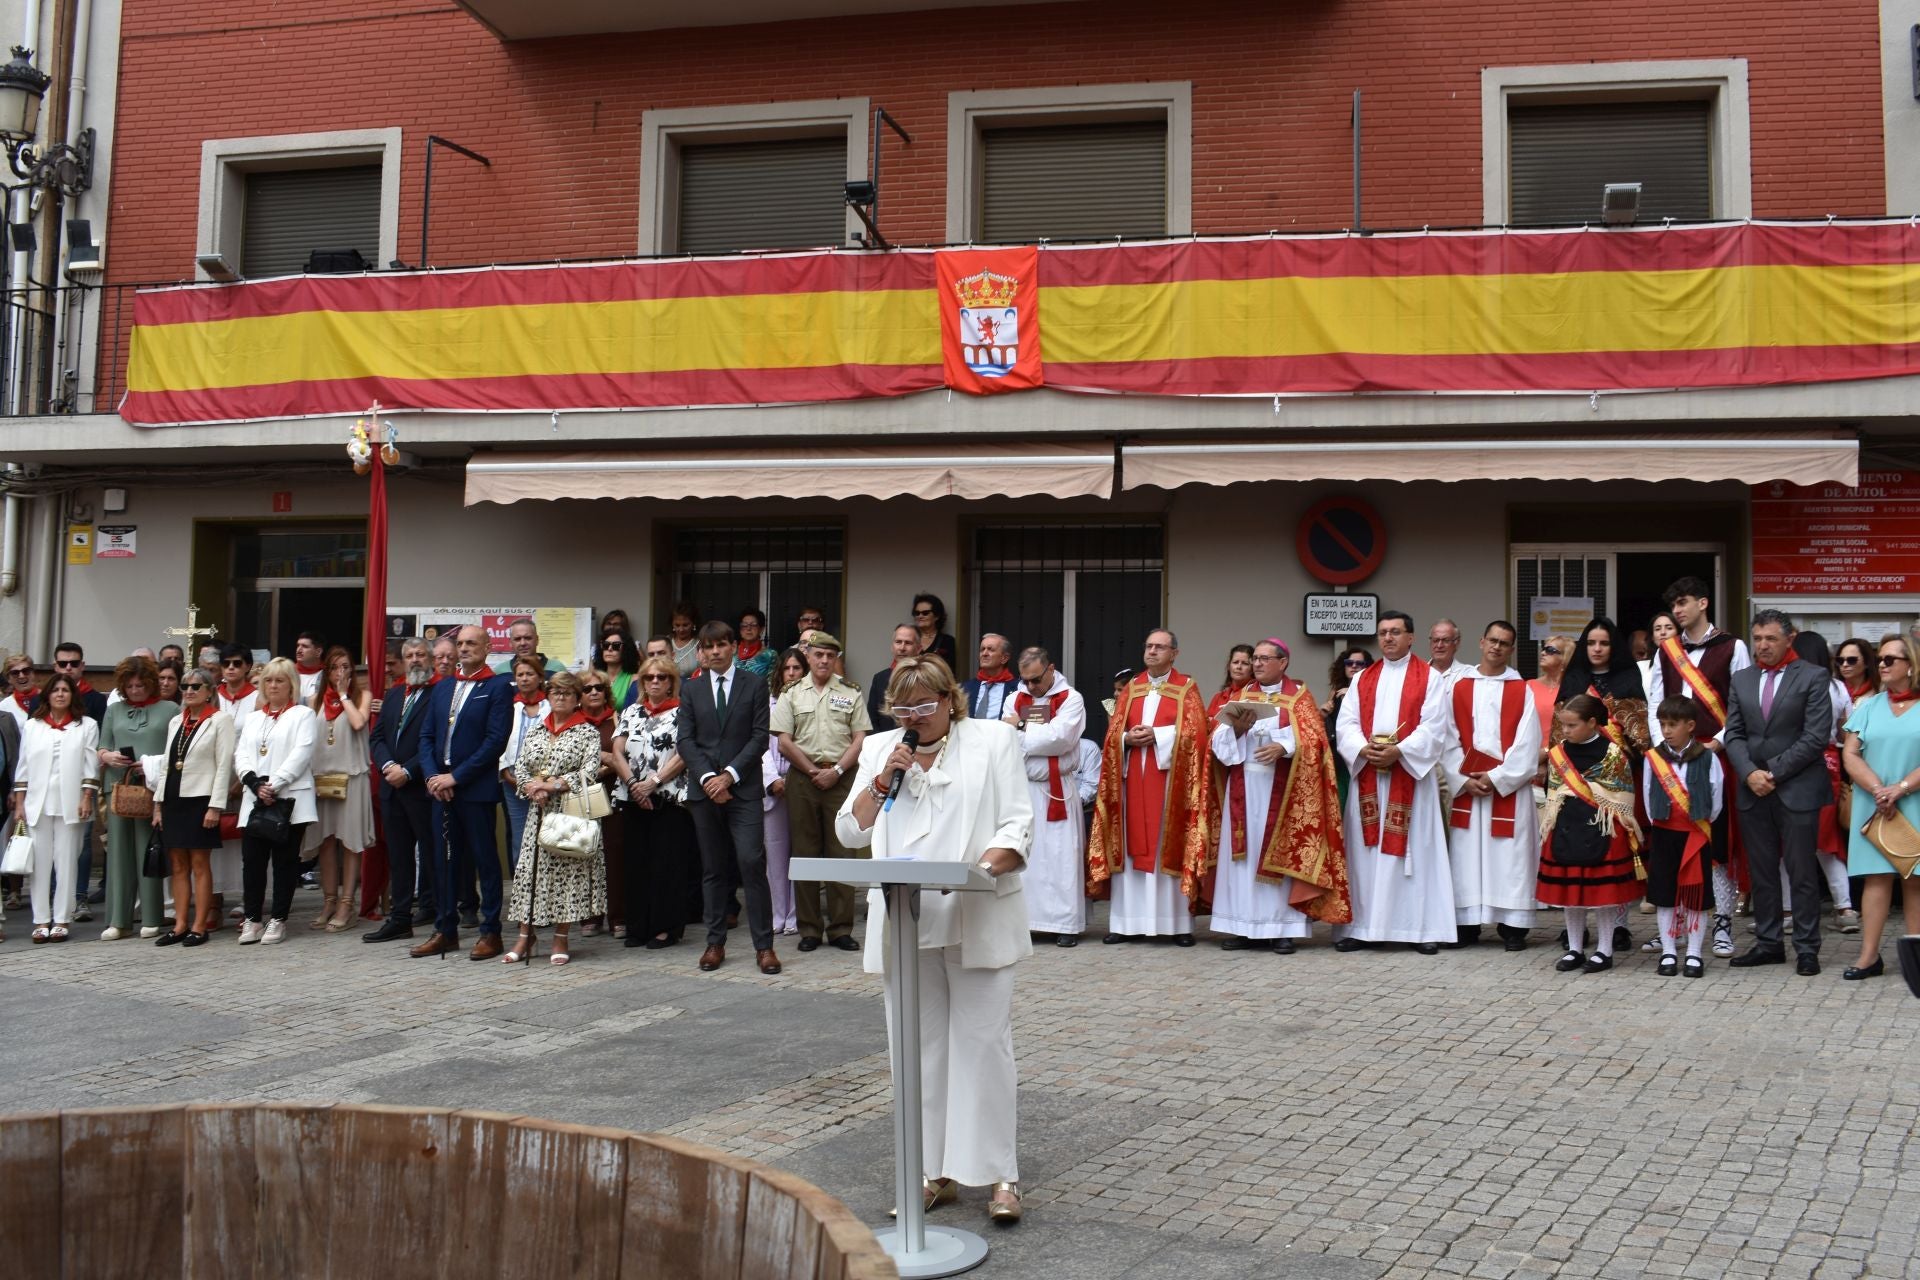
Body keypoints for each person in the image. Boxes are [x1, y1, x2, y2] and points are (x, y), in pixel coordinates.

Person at [834, 656, 1032, 1225]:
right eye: (904, 708)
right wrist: (879, 779)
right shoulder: (880, 750)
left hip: (975, 909)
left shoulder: (993, 739)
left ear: (951, 699)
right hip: (906, 915)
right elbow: (850, 829)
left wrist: (988, 868)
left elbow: (1016, 823)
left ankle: (1001, 1173)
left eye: (925, 705)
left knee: (984, 1043)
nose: (914, 717)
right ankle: (931, 1171)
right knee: (916, 1049)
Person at [1208, 638, 1349, 953]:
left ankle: (1282, 928)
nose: (1257, 664)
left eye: (1263, 658)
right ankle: (1241, 926)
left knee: (1276, 856)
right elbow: (1216, 745)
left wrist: (1284, 747)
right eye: (1254, 658)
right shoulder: (1241, 697)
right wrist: (1237, 730)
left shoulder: (1298, 698)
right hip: (1243, 788)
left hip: (1282, 791)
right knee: (1242, 861)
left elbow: (1316, 742)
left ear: (1283, 662)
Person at [1333, 612, 1454, 953]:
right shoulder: (1362, 679)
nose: (1388, 638)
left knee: (1417, 854)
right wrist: (1363, 748)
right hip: (1370, 774)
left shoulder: (1429, 678)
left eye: (1395, 632)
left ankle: (1421, 929)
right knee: (1365, 854)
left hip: (1411, 779)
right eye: (1383, 633)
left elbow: (1435, 726)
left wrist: (1399, 751)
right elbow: (1347, 724)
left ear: (1411, 637)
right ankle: (1362, 928)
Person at [1647, 576, 1752, 955]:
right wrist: (1662, 749)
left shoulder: (1733, 646)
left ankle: (1721, 923)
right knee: (1671, 840)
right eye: (1673, 604)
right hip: (1670, 762)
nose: (1678, 610)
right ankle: (1672, 926)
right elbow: (1655, 702)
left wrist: (1719, 742)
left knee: (1716, 841)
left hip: (1714, 758)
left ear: (1703, 603)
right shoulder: (1666, 650)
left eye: (1684, 602)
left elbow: (1741, 703)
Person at [1723, 610, 1832, 975]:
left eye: (1770, 638)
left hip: (1797, 787)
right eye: (1757, 638)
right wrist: (1750, 772)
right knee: (1762, 870)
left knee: (1801, 872)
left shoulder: (1814, 676)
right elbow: (1734, 734)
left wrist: (1773, 771)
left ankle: (1806, 947)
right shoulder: (1742, 679)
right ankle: (1769, 943)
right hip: (1753, 788)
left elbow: (1816, 737)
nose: (1762, 645)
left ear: (1790, 638)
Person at [1087, 629, 1211, 945]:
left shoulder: (1187, 688)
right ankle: (1126, 923)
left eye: (1160, 647)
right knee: (1131, 845)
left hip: (1170, 784)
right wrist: (1126, 739)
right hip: (1132, 783)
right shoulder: (1132, 688)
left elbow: (1197, 734)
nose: (1152, 651)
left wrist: (1160, 736)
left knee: (1165, 845)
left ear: (1174, 653)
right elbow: (1113, 733)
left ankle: (1177, 925)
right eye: (1149, 646)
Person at [677, 621, 779, 975]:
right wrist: (708, 779)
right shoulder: (691, 689)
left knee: (751, 862)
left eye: (722, 644)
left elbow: (759, 737)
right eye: (709, 647)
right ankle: (714, 942)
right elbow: (686, 741)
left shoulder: (754, 684)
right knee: (714, 868)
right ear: (701, 652)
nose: (715, 651)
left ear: (733, 646)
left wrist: (729, 776)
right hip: (704, 792)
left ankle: (764, 947)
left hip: (743, 788)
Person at [413, 624, 513, 961]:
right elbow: (426, 736)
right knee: (443, 862)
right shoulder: (443, 688)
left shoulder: (498, 686)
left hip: (474, 789)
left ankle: (491, 933)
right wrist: (431, 776)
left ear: (487, 647)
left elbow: (494, 741)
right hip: (440, 790)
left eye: (472, 643)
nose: (465, 648)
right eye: (461, 643)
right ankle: (445, 930)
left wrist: (454, 777)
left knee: (485, 862)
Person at [1443, 621, 1543, 951]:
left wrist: (1497, 777)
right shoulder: (1459, 686)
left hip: (1507, 790)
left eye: (1505, 643)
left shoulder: (1521, 689)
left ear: (1511, 649)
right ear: (1481, 641)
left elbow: (1528, 741)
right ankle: (1467, 922)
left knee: (1510, 857)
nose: (1497, 647)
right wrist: (1463, 778)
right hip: (1468, 787)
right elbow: (1447, 737)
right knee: (1467, 855)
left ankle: (1513, 926)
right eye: (1493, 640)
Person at [776, 630, 872, 952]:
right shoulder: (791, 692)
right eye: (818, 655)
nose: (824, 660)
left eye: (830, 656)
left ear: (836, 659)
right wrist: (813, 770)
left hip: (842, 778)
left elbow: (860, 738)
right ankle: (809, 929)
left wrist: (838, 771)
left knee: (842, 850)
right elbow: (784, 741)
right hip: (804, 778)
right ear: (809, 657)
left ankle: (841, 928)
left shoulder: (851, 692)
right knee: (804, 851)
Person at [504, 671, 606, 966]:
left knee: (565, 875)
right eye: (556, 692)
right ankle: (526, 935)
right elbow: (520, 767)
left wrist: (552, 785)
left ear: (576, 699)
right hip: (537, 812)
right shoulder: (536, 730)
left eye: (567, 693)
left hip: (570, 812)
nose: (560, 697)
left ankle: (561, 936)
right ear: (548, 696)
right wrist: (530, 788)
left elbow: (589, 771)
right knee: (529, 874)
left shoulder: (587, 731)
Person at [1540, 693, 1645, 973]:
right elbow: (1553, 791)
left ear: (1592, 723)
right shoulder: (1559, 752)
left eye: (1572, 725)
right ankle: (1574, 949)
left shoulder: (1613, 754)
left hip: (1603, 828)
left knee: (1602, 896)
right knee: (1571, 894)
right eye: (1563, 725)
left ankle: (1604, 950)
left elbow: (1622, 795)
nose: (1565, 731)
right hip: (1565, 827)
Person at [1838, 634, 1920, 981]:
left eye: (1890, 659)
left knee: (1915, 880)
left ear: (1911, 666)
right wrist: (1878, 790)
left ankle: (1916, 960)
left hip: (1913, 800)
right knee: (1876, 878)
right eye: (1880, 659)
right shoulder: (1869, 706)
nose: (1882, 665)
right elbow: (1849, 753)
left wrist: (1899, 789)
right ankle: (1869, 956)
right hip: (1875, 803)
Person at [143, 670, 235, 947]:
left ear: (209, 690)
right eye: (185, 686)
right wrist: (158, 804)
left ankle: (199, 925)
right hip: (173, 797)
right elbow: (167, 766)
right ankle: (180, 924)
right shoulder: (175, 721)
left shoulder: (221, 720)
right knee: (178, 864)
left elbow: (223, 766)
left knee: (199, 863)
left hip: (201, 798)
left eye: (196, 686)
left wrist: (215, 806)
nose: (189, 690)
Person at [1003, 646, 1087, 945]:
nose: (1030, 687)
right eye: (1025, 680)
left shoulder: (1072, 699)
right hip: (1022, 786)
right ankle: (1023, 923)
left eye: (1036, 680)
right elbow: (1005, 738)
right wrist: (1034, 734)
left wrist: (1023, 727)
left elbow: (1060, 739)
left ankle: (1064, 925)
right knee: (1026, 855)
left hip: (1056, 789)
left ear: (1051, 669)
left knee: (1060, 856)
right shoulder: (1015, 698)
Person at [231, 658, 318, 946]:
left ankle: (278, 919)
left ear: (291, 684)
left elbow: (302, 752)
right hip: (255, 798)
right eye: (268, 680)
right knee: (252, 862)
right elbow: (241, 754)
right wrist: (254, 783)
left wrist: (275, 783)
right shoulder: (254, 718)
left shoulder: (303, 715)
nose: (273, 685)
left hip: (290, 798)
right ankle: (253, 919)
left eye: (279, 680)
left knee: (284, 862)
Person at [612, 656, 695, 949]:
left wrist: (654, 783)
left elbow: (685, 753)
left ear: (672, 681)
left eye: (662, 677)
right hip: (632, 796)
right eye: (649, 677)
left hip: (669, 798)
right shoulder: (631, 711)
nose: (656, 682)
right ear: (642, 683)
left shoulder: (683, 713)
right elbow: (617, 751)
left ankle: (665, 928)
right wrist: (635, 785)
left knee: (666, 863)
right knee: (636, 862)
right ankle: (638, 926)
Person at [13, 674, 101, 942]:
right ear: (47, 695)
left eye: (66, 690)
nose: (61, 694)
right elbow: (23, 765)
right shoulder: (33, 726)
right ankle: (40, 920)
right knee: (39, 864)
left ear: (73, 695)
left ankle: (62, 918)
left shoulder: (86, 725)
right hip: (37, 803)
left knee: (66, 861)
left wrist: (87, 797)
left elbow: (90, 766)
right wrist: (19, 803)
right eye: (56, 690)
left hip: (71, 803)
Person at [1641, 697, 1724, 977]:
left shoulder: (1708, 757)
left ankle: (1694, 953)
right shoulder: (1653, 758)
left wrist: (1701, 823)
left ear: (1690, 726)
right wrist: (1660, 823)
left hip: (1695, 834)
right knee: (1665, 896)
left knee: (1695, 896)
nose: (1666, 731)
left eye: (1673, 725)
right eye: (1663, 724)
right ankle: (1668, 951)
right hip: (1665, 833)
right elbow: (1647, 794)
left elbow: (1716, 796)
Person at [96, 657, 172, 940]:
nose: (135, 690)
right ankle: (119, 919)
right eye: (129, 685)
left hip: (151, 787)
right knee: (118, 853)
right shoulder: (114, 709)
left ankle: (152, 916)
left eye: (140, 685)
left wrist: (151, 765)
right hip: (117, 785)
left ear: (151, 683)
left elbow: (174, 751)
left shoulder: (169, 709)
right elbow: (101, 746)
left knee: (148, 849)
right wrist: (108, 756)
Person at [365, 637, 435, 943]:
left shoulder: (439, 694)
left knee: (431, 854)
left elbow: (435, 742)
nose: (415, 659)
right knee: (399, 856)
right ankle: (401, 917)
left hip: (421, 787)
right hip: (392, 788)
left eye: (421, 654)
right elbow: (377, 737)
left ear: (430, 659)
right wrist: (388, 766)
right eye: (410, 655)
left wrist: (408, 770)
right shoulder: (393, 695)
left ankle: (438, 912)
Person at [300, 645, 373, 933]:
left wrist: (343, 695)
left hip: (352, 777)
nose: (340, 673)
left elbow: (357, 722)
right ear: (326, 671)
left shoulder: (361, 696)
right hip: (321, 779)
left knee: (350, 842)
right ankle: (328, 900)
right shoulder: (313, 700)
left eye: (346, 667)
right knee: (326, 842)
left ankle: (347, 903)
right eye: (335, 668)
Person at [1793, 630, 1860, 933]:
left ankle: (1785, 911)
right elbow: (1847, 730)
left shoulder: (1790, 684)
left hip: (1794, 765)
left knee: (1786, 842)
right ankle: (1844, 907)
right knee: (1826, 842)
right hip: (1830, 764)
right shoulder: (1838, 688)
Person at [762, 647, 807, 935]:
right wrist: (772, 780)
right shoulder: (766, 704)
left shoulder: (810, 704)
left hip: (801, 783)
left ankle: (796, 916)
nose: (791, 673)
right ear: (780, 673)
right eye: (787, 669)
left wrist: (794, 778)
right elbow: (759, 747)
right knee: (775, 853)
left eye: (797, 669)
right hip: (771, 786)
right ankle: (778, 915)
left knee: (800, 851)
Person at [1557, 618, 1651, 754]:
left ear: (1613, 646)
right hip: (1574, 765)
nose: (1597, 649)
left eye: (1604, 643)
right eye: (1591, 643)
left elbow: (1640, 737)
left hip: (1619, 765)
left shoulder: (1629, 680)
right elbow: (1559, 732)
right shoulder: (1572, 680)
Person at [578, 671, 623, 937]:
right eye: (587, 689)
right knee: (586, 855)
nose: (593, 692)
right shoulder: (572, 722)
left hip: (613, 793)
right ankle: (589, 916)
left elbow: (624, 756)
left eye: (599, 688)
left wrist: (605, 766)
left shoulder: (617, 719)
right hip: (581, 796)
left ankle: (618, 916)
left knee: (616, 856)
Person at [499, 655, 549, 875]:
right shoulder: (508, 706)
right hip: (513, 783)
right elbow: (499, 740)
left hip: (546, 784)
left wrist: (543, 781)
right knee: (520, 840)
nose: (525, 679)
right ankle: (522, 894)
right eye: (520, 675)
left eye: (530, 674)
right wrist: (507, 774)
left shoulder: (551, 706)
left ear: (540, 678)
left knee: (547, 837)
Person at [1323, 647, 1372, 812]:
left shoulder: (1372, 690)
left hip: (1361, 755)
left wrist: (1352, 693)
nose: (1354, 666)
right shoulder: (1335, 691)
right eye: (1349, 663)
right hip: (1338, 755)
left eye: (1360, 663)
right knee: (1340, 803)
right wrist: (1323, 712)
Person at [868, 624, 921, 734]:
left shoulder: (927, 678)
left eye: (908, 643)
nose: (902, 648)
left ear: (918, 648)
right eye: (898, 642)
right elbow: (872, 719)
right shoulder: (879, 678)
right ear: (892, 646)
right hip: (885, 744)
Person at [1528, 634, 1573, 750]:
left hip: (1562, 757)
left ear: (1564, 658)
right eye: (1543, 649)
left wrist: (1546, 753)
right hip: (1529, 755)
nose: (1543, 653)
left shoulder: (1573, 691)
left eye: (1550, 650)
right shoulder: (1529, 686)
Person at [964, 634, 1018, 722]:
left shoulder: (1018, 688)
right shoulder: (965, 688)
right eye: (982, 649)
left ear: (1004, 658)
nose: (984, 654)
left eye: (990, 649)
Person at [910, 593, 959, 671]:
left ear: (937, 616)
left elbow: (950, 671)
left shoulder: (947, 641)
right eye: (917, 613)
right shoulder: (909, 639)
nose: (920, 616)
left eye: (925, 613)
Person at [595, 632, 641, 711]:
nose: (609, 649)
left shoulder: (634, 679)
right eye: (606, 645)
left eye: (616, 645)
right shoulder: (595, 678)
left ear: (626, 650)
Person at [1207, 644, 1256, 718]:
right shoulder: (1218, 697)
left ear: (1252, 669)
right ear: (1229, 666)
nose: (1239, 667)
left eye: (1245, 663)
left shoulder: (1256, 695)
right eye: (1235, 662)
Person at [1428, 619, 1470, 687]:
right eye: (1435, 640)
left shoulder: (1467, 674)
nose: (1439, 645)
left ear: (1457, 643)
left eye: (1446, 640)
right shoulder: (1417, 673)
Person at [735, 609, 775, 679]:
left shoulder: (770, 655)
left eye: (753, 625)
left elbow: (773, 683)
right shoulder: (732, 653)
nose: (748, 628)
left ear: (761, 629)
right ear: (740, 630)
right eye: (744, 625)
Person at [3, 652, 38, 729]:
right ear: (9, 679)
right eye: (15, 673)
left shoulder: (49, 699)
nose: (21, 676)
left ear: (33, 673)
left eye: (26, 671)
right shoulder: (3, 707)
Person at [668, 602, 702, 678]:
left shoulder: (700, 644)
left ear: (693, 624)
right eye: (677, 625)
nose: (681, 629)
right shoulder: (666, 642)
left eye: (685, 625)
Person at [292, 633, 327, 703]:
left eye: (305, 646)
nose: (298, 650)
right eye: (298, 645)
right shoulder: (287, 673)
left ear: (318, 652)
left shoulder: (328, 676)